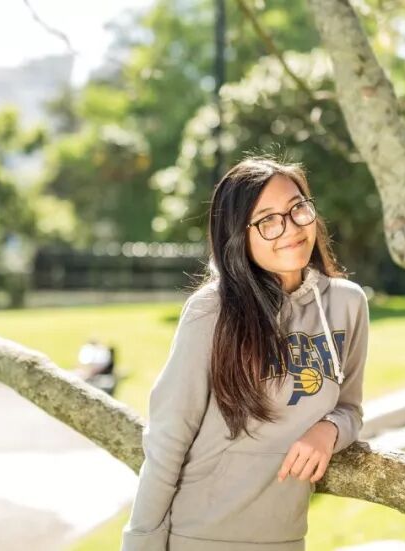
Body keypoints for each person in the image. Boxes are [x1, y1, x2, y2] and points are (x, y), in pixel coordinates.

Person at [121, 157, 369, 551]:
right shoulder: (212, 311)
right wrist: (140, 542)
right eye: (268, 220)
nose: (290, 228)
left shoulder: (347, 304)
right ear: (239, 235)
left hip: (286, 537)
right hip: (197, 535)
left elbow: (350, 408)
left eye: (297, 208)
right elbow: (169, 436)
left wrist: (329, 430)